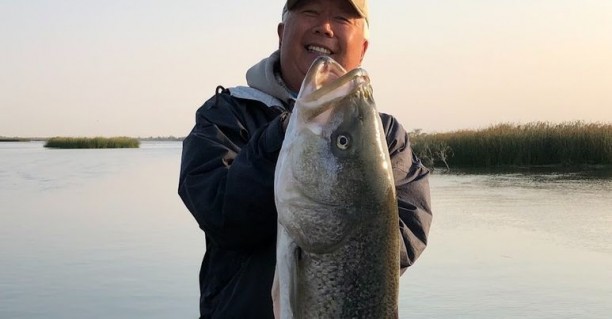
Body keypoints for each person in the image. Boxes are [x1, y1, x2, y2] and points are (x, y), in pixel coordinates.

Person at [178, 0, 432, 318]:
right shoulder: (227, 114)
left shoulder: (386, 136)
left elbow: (407, 233)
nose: (324, 27)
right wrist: (285, 136)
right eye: (310, 12)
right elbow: (217, 211)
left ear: (363, 48)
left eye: (342, 18)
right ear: (282, 33)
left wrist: (337, 244)